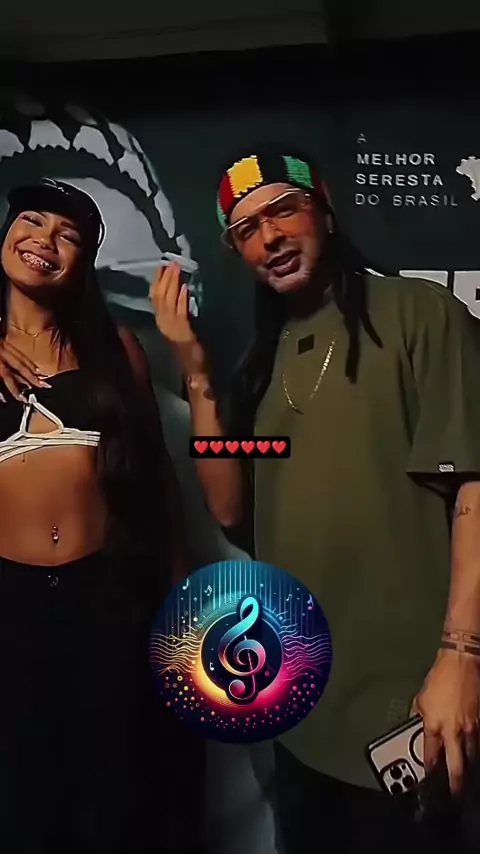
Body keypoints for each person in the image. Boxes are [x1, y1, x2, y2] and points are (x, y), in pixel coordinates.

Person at [149, 146, 480, 853]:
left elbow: (475, 485)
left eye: (282, 211)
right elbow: (230, 506)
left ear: (323, 210)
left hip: (413, 704)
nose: (269, 237)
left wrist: (461, 657)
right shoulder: (262, 365)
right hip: (302, 707)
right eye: (246, 229)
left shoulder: (417, 314)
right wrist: (196, 373)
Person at [0, 178, 189, 854]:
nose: (44, 240)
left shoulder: (116, 350)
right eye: (31, 221)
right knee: (22, 800)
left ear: (84, 262)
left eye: (68, 235)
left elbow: (159, 486)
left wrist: (180, 607)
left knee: (114, 797)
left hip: (106, 598)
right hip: (10, 607)